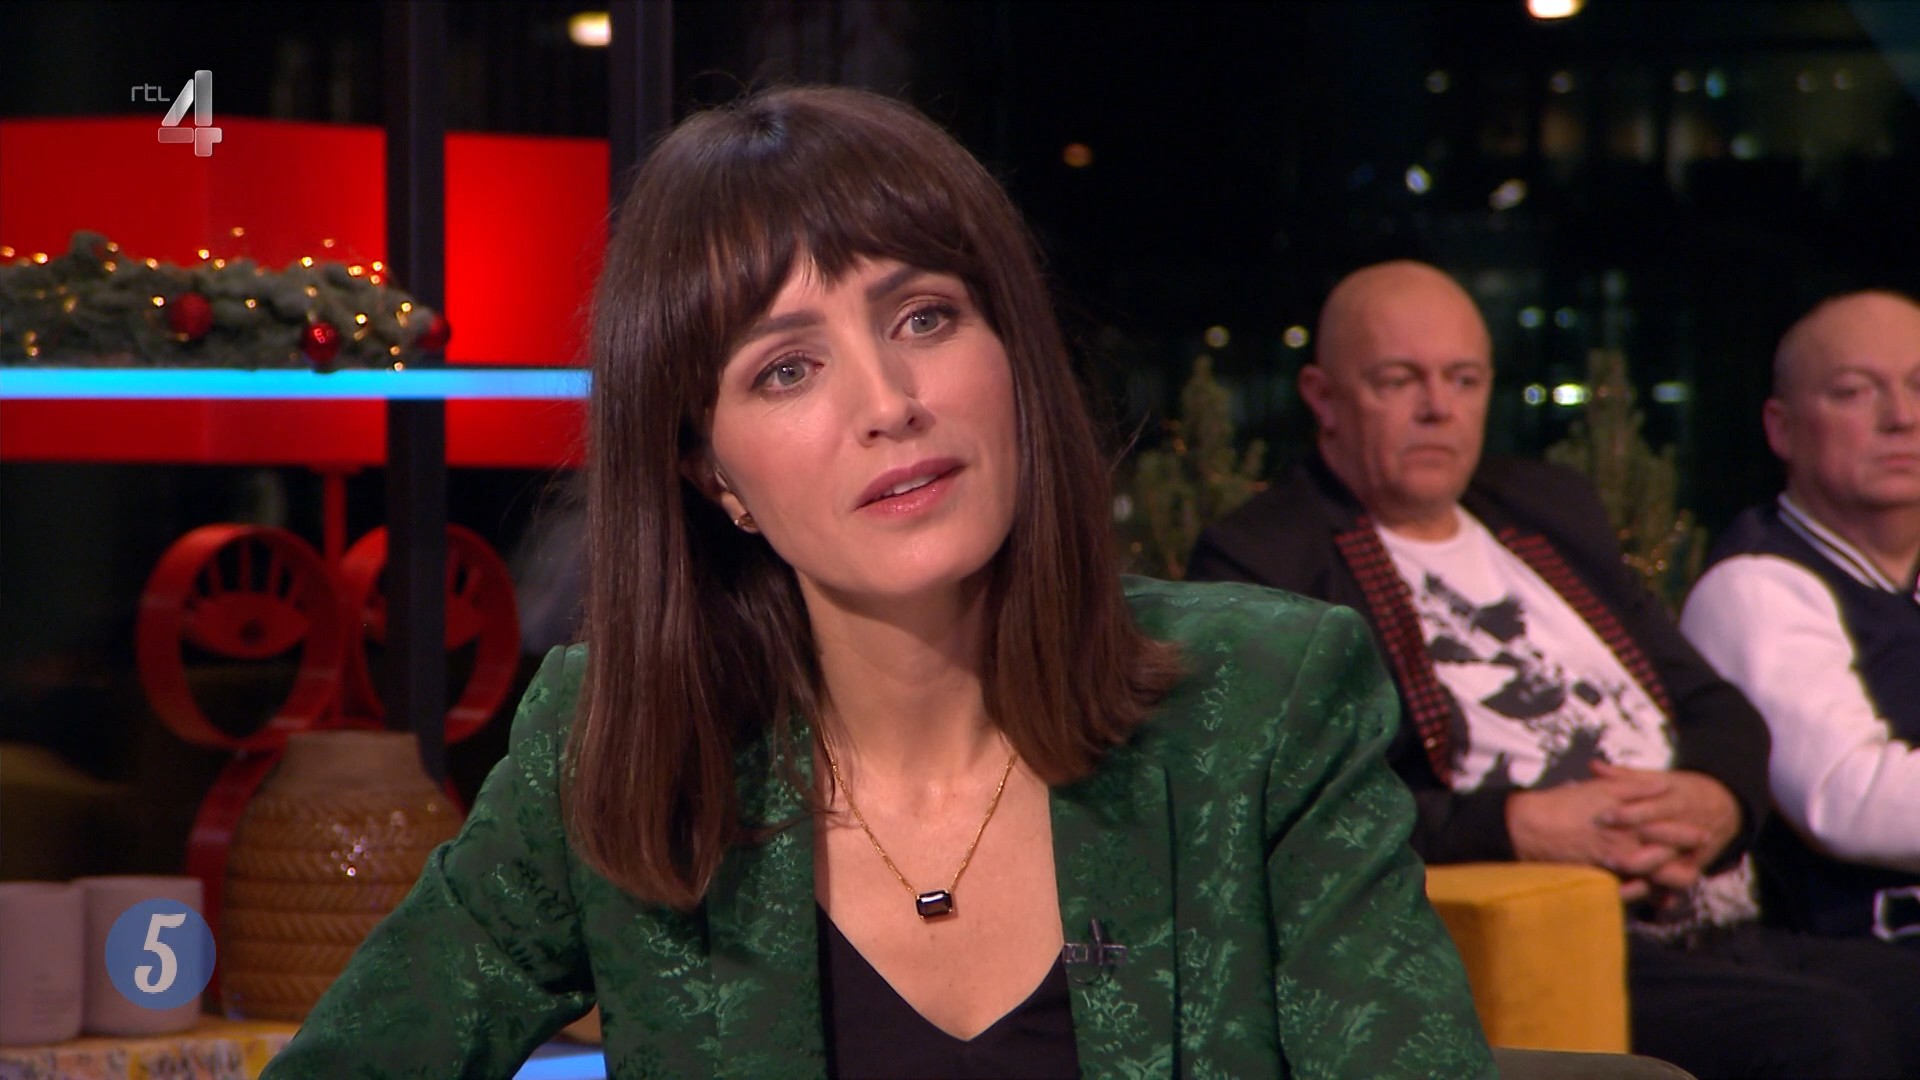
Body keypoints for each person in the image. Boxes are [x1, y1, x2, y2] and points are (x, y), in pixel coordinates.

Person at [262, 91, 1493, 1078]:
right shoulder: (615, 748)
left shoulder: (1268, 705)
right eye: (786, 370)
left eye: (924, 319)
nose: (890, 403)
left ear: (1014, 355)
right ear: (712, 472)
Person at [1188, 260, 1920, 1078]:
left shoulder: (1542, 509)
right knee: (1828, 1035)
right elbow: (1295, 806)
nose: (1438, 407)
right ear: (1323, 398)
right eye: (1399, 381)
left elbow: (1714, 706)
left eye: (1464, 379)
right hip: (1543, 940)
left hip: (1711, 912)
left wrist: (1714, 798)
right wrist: (1516, 826)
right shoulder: (1267, 557)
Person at [1680, 290, 1920, 944]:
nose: (1901, 417)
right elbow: (1849, 801)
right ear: (1781, 429)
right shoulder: (1755, 585)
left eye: (1919, 386)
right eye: (1854, 392)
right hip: (1860, 961)